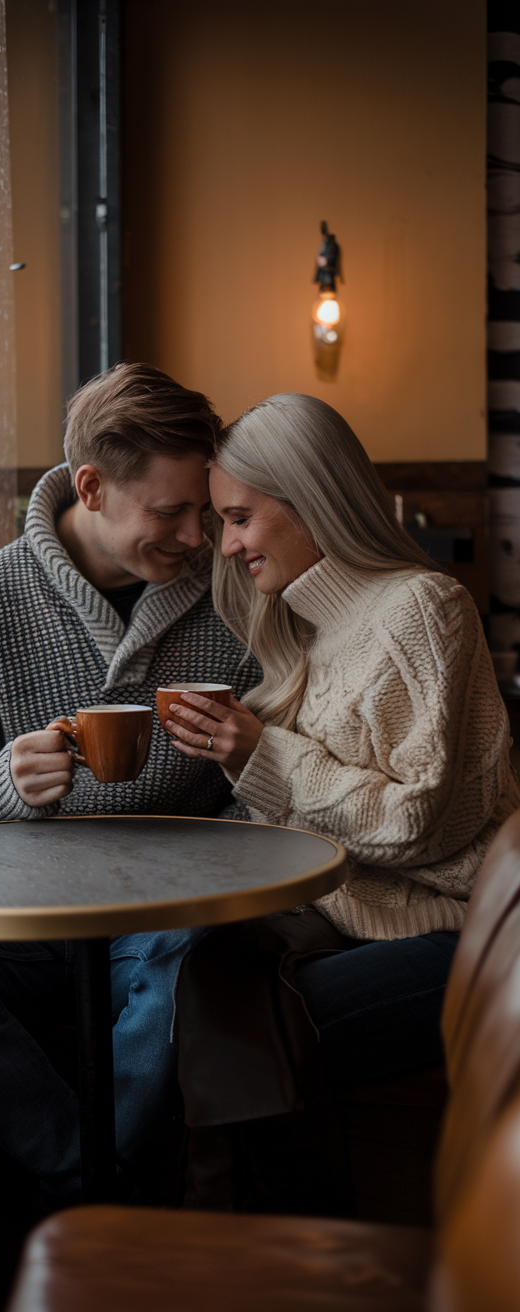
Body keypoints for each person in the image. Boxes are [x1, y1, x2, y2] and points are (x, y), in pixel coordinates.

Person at [0, 362, 260, 1213]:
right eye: (171, 512)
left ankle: (84, 1213)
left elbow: (272, 780)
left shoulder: (233, 594)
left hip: (171, 915)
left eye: (206, 509)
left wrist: (245, 771)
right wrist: (1, 782)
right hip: (27, 919)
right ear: (91, 486)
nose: (199, 537)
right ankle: (97, 1189)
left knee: (190, 960)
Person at [165, 392, 519, 1208]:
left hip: (462, 935)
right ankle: (258, 1243)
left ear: (309, 495)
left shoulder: (422, 609)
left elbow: (421, 822)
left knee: (250, 1030)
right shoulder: (308, 634)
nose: (227, 545)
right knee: (203, 982)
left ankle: (267, 1249)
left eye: (241, 518)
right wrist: (243, 761)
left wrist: (268, 753)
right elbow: (314, 827)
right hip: (350, 924)